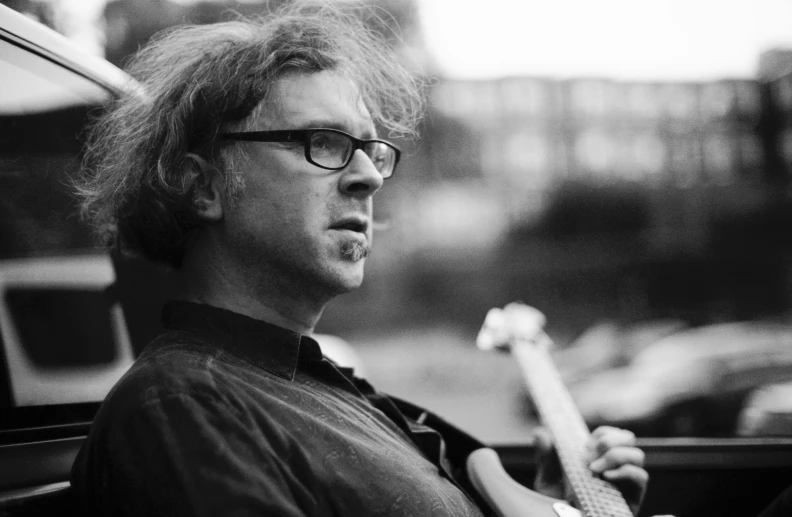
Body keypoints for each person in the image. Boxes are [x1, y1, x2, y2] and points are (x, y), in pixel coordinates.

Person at [70, 3, 649, 516]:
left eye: (370, 148)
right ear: (204, 187)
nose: (370, 177)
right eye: (323, 143)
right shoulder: (183, 412)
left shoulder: (320, 384)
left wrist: (544, 505)